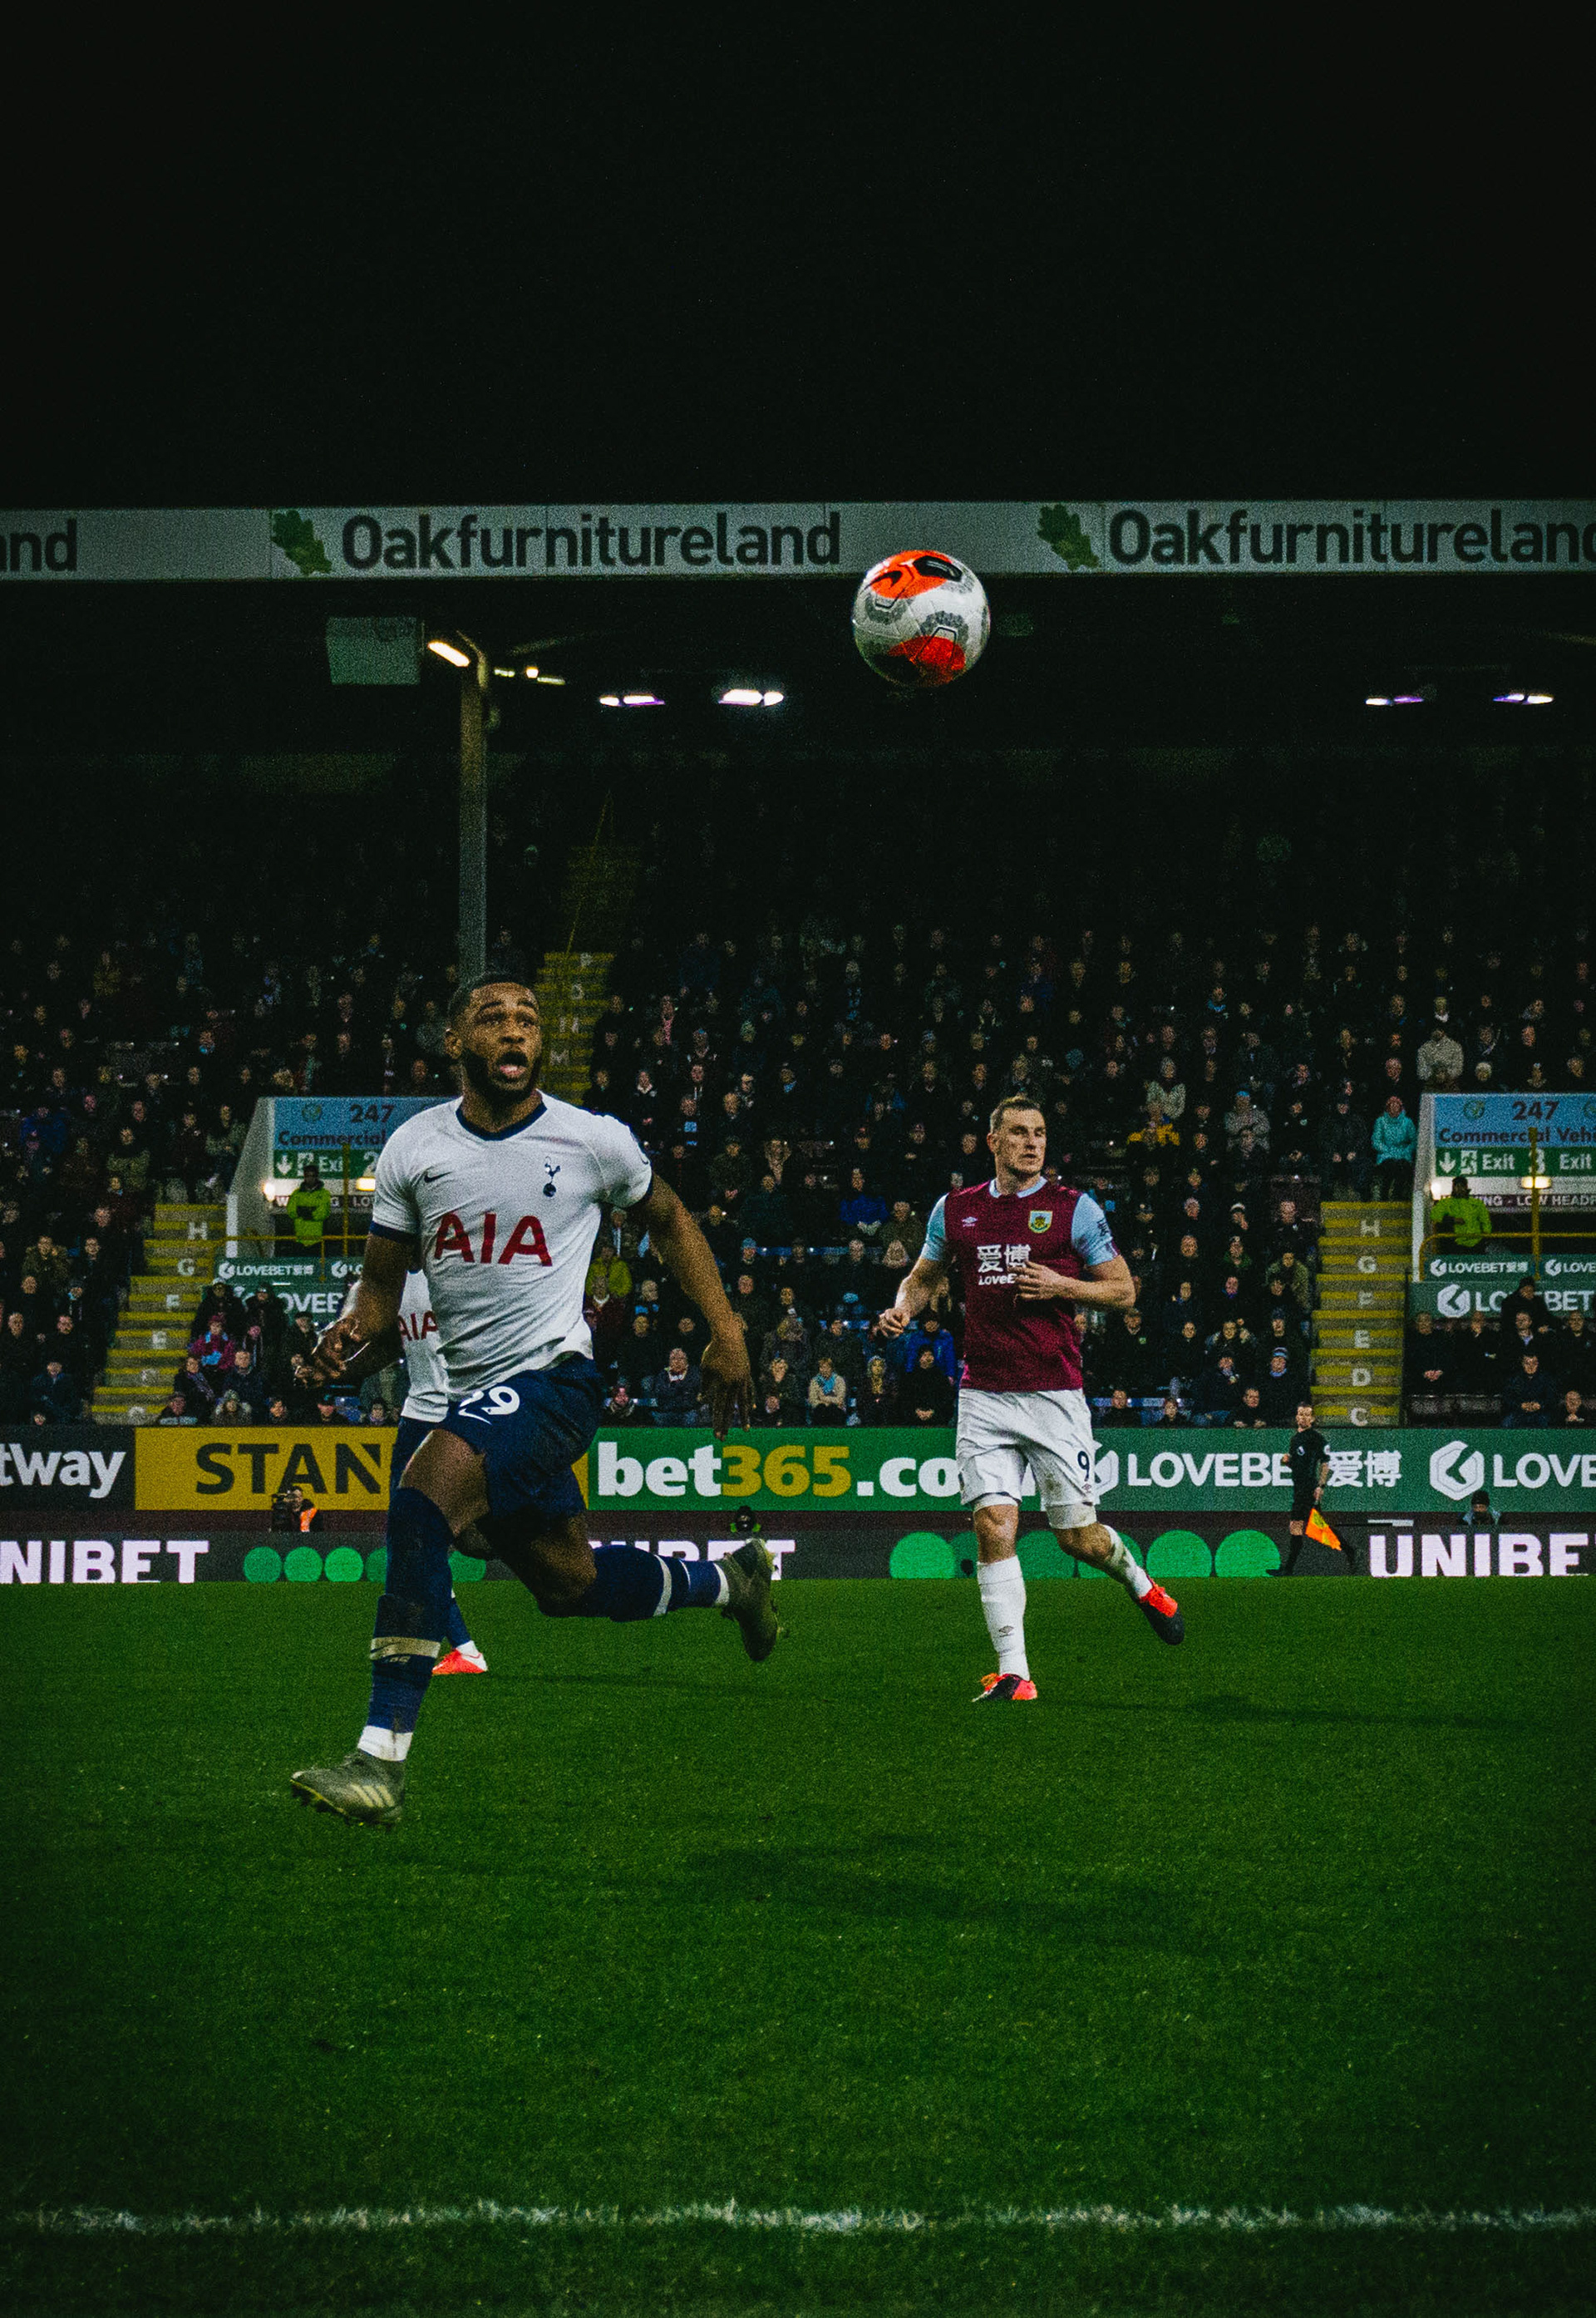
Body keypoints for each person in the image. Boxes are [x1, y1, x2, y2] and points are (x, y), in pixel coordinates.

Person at [290, 973, 771, 1828]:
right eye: (493, 1017)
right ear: (455, 1042)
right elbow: (380, 1290)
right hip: (474, 1399)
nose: (515, 1031)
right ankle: (730, 1583)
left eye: (528, 1019)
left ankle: (379, 1760)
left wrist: (726, 1329)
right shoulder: (412, 1148)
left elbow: (669, 1218)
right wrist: (348, 1335)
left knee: (422, 1497)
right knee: (568, 1581)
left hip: (556, 1383)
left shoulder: (592, 1139)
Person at [878, 1094, 1183, 1707]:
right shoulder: (956, 1208)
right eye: (1018, 1133)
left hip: (1053, 1394)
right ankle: (1015, 1673)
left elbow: (1124, 1290)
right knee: (993, 1525)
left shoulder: (1074, 1208)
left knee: (1078, 1538)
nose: (1032, 1143)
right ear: (992, 1141)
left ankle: (1140, 1582)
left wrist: (1062, 1284)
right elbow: (925, 1274)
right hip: (983, 1395)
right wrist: (902, 1307)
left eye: (1039, 1133)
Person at [1273, 1400, 1330, 1576]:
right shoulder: (1295, 1439)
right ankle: (1288, 1569)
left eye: (1307, 1415)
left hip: (1308, 1487)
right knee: (1300, 1525)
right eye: (1301, 1414)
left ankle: (1350, 1551)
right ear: (1297, 1417)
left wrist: (1320, 1486)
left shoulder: (1316, 1438)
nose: (1303, 1418)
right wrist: (1287, 1462)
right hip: (1299, 1487)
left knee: (1304, 1526)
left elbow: (1325, 1463)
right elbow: (1298, 1466)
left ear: (1312, 1418)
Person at [284, 1161, 333, 1266]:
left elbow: (324, 1212)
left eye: (312, 1176)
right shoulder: (297, 1194)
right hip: (300, 1239)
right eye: (307, 1176)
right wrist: (309, 1211)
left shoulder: (324, 1193)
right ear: (304, 1177)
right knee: (301, 1266)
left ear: (317, 1177)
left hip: (318, 1239)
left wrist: (305, 1212)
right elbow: (291, 1211)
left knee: (318, 1267)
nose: (310, 1179)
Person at [1431, 1176, 1491, 1252]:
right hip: (1454, 1243)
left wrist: (1486, 1236)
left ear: (1466, 1187)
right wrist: (1452, 1220)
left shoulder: (1477, 1203)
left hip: (1476, 1243)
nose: (1459, 1189)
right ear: (1453, 1188)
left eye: (1462, 1186)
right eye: (1457, 1186)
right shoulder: (1445, 1203)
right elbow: (1434, 1215)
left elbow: (1485, 1221)